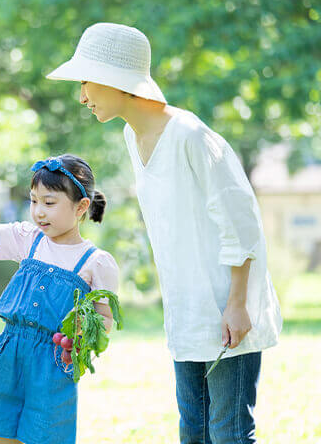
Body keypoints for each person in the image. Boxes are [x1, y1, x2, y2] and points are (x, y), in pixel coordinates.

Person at [47, 22, 282, 443]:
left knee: (228, 432)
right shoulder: (130, 134)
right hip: (186, 309)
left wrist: (238, 304)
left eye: (86, 81)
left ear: (116, 81)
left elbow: (240, 222)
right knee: (193, 430)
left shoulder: (191, 136)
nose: (81, 96)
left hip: (228, 305)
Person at [0, 154, 119, 444]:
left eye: (49, 203)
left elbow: (106, 319)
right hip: (9, 353)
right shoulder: (29, 239)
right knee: (2, 434)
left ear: (81, 207)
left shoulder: (96, 262)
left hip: (53, 363)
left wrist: (86, 328)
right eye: (34, 201)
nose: (39, 211)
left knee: (45, 434)